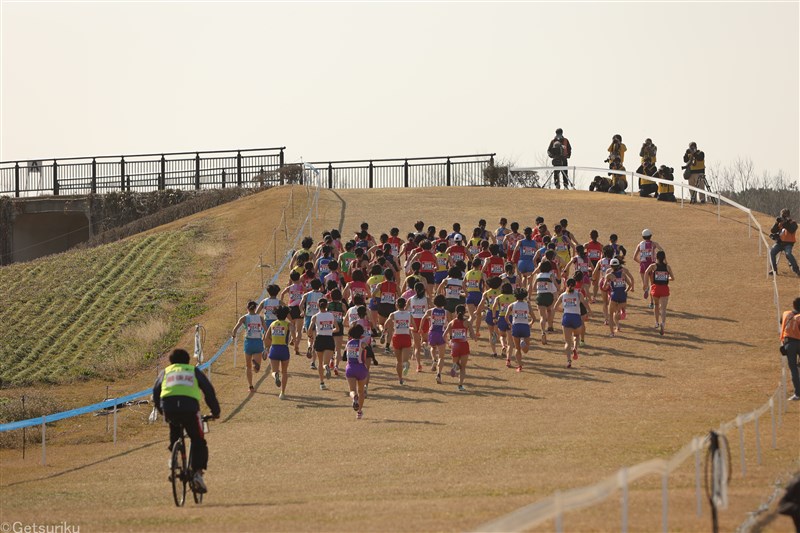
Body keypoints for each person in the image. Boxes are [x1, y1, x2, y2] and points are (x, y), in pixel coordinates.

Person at [153, 348, 220, 494]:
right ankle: (197, 473)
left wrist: (161, 411)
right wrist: (215, 411)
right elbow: (208, 391)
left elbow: (156, 392)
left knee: (175, 429)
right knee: (198, 440)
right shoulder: (192, 370)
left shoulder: (165, 372)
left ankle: (174, 457)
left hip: (169, 408)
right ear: (188, 360)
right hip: (190, 408)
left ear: (171, 361)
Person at [231, 301, 268, 392]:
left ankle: (250, 386)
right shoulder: (260, 318)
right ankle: (255, 363)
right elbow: (266, 331)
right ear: (255, 308)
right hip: (258, 342)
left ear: (247, 308)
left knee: (248, 367)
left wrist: (234, 336)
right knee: (257, 370)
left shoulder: (244, 318)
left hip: (248, 342)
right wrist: (265, 338)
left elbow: (235, 329)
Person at [554, 279, 591, 367]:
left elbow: (555, 307)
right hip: (576, 317)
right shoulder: (578, 294)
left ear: (566, 285)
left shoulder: (563, 295)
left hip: (566, 317)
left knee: (567, 342)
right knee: (576, 336)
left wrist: (563, 310)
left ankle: (568, 361)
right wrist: (589, 311)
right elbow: (585, 303)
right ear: (575, 285)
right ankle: (575, 348)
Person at [443, 304, 476, 391]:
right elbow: (473, 336)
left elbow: (443, 335)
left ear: (456, 312)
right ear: (465, 312)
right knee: (463, 368)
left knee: (456, 363)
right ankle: (460, 385)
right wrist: (474, 338)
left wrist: (448, 343)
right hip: (464, 345)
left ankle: (454, 367)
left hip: (455, 346)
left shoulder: (452, 322)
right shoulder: (467, 323)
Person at [309, 298, 339, 390]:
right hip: (329, 339)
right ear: (327, 306)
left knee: (320, 361)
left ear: (318, 305)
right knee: (325, 362)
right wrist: (330, 330)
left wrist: (310, 336)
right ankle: (327, 366)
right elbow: (337, 329)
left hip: (319, 339)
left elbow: (310, 330)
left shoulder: (315, 316)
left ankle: (322, 383)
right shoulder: (331, 316)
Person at [265, 306, 294, 398]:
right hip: (284, 349)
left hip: (274, 348)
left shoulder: (273, 324)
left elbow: (266, 337)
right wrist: (293, 340)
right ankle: (282, 393)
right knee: (284, 372)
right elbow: (294, 335)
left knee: (274, 371)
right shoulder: (288, 325)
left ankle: (276, 375)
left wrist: (269, 344)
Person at [644, 251, 675, 336]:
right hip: (664, 289)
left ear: (656, 257)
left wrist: (645, 283)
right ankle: (663, 324)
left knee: (656, 305)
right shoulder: (667, 267)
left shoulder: (653, 266)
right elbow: (672, 278)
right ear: (664, 257)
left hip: (655, 288)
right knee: (663, 309)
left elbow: (646, 272)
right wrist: (666, 277)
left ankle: (656, 322)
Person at [384, 298, 413, 385]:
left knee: (398, 361)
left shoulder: (393, 314)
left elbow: (386, 324)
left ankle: (400, 378)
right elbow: (414, 327)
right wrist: (409, 328)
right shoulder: (409, 314)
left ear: (397, 305)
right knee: (405, 360)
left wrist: (387, 329)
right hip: (406, 337)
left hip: (397, 337)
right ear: (405, 305)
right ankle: (406, 364)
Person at [633, 229, 664, 308]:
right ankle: (651, 302)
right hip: (652, 266)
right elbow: (662, 251)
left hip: (643, 266)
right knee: (653, 284)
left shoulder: (640, 245)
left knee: (645, 283)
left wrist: (641, 263)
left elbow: (634, 257)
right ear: (650, 236)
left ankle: (646, 289)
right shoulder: (653, 244)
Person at [603, 258, 635, 337]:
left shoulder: (609, 275)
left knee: (610, 315)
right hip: (623, 295)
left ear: (611, 266)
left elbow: (604, 287)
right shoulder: (623, 274)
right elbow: (630, 285)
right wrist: (625, 291)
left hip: (614, 295)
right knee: (617, 310)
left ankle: (612, 333)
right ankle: (621, 311)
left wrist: (608, 285)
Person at [345, 324, 370, 419]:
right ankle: (359, 412)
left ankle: (354, 397)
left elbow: (344, 357)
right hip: (361, 368)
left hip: (350, 368)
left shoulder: (348, 343)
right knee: (361, 391)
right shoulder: (362, 343)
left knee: (352, 390)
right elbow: (369, 351)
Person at [506, 288, 534, 372]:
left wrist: (510, 324)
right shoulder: (527, 305)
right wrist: (530, 324)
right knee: (526, 350)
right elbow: (534, 318)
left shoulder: (512, 305)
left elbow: (506, 317)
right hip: (525, 326)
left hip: (516, 326)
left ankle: (519, 366)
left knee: (517, 349)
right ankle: (523, 343)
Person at [779, 297, 800, 402]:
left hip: (789, 344)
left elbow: (781, 322)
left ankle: (797, 393)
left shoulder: (786, 314)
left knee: (793, 369)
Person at [769, 209, 799, 277]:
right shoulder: (780, 223)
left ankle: (796, 270)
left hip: (788, 243)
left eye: (784, 215)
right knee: (772, 252)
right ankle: (774, 270)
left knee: (788, 254)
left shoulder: (793, 223)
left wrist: (785, 222)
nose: (783, 217)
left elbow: (791, 230)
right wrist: (776, 223)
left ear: (788, 215)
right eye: (782, 215)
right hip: (780, 243)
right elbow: (773, 231)